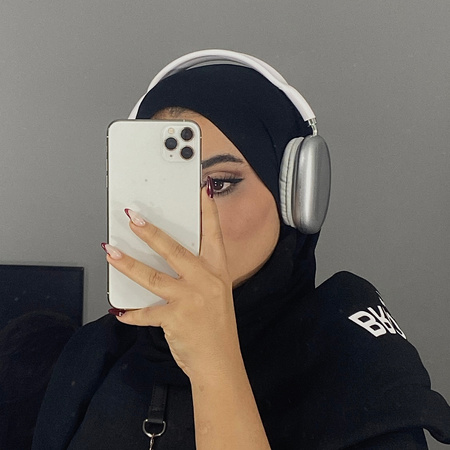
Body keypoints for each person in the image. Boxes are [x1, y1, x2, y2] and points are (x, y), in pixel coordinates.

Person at [32, 50, 450, 449]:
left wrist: (214, 364)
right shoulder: (94, 353)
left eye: (219, 183)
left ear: (293, 195)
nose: (194, 217)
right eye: (165, 188)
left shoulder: (357, 366)